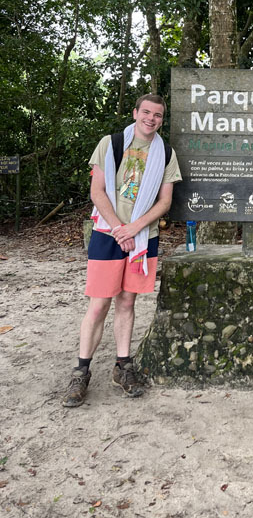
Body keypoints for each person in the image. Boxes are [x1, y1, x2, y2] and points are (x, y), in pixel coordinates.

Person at [62, 94, 182, 408]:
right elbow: (96, 191)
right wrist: (119, 228)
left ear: (161, 119)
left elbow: (165, 201)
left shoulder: (165, 153)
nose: (151, 119)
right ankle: (81, 371)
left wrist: (134, 228)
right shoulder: (111, 143)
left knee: (127, 301)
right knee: (100, 303)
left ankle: (123, 366)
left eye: (157, 115)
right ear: (135, 113)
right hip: (107, 233)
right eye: (146, 112)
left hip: (143, 237)